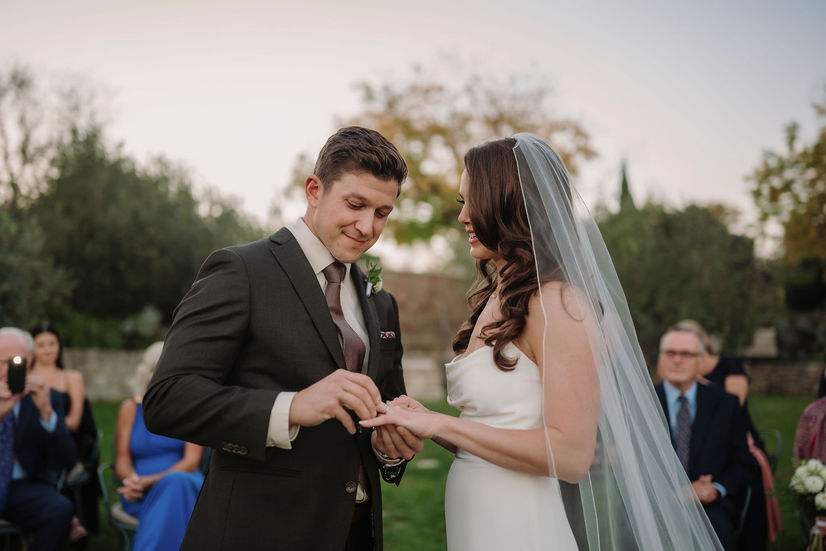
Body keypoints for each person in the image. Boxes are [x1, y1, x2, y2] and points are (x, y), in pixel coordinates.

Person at [363, 134, 725, 550]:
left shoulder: (555, 302)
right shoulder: (498, 296)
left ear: (508, 204)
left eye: (471, 201)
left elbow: (571, 454)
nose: (462, 217)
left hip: (522, 522)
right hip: (478, 515)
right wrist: (424, 420)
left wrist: (441, 423)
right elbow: (495, 433)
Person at [143, 126, 422, 551]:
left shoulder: (379, 300)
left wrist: (391, 445)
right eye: (355, 204)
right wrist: (291, 407)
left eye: (382, 213)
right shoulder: (240, 271)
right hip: (258, 531)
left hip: (357, 534)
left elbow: (381, 409)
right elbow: (168, 400)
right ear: (314, 190)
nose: (368, 227)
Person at [653, 326, 757, 551]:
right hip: (653, 502)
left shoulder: (726, 404)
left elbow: (744, 464)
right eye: (670, 353)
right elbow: (629, 464)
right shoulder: (641, 402)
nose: (677, 360)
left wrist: (716, 488)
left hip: (709, 507)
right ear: (660, 359)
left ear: (701, 362)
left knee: (718, 530)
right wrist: (673, 494)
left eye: (686, 354)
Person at [115, 341, 204, 551]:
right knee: (170, 495)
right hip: (138, 493)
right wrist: (132, 482)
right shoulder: (130, 409)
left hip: (184, 480)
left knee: (176, 484)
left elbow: (191, 461)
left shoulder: (191, 408)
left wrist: (151, 481)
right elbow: (122, 458)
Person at [0, 326, 76, 551]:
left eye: (16, 361)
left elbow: (66, 459)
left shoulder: (45, 396)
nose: (9, 369)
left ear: (30, 361)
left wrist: (46, 413)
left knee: (59, 509)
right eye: (3, 361)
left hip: (22, 486)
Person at [28, 323, 100, 540]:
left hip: (67, 442)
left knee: (47, 457)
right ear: (31, 349)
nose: (48, 349)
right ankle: (69, 520)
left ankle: (58, 520)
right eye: (41, 345)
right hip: (28, 442)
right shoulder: (23, 377)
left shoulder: (72, 377)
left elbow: (74, 421)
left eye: (52, 343)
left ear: (59, 346)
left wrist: (47, 425)